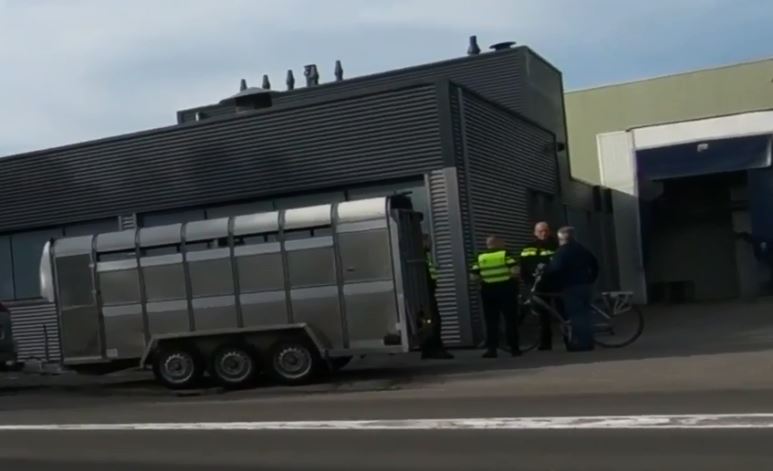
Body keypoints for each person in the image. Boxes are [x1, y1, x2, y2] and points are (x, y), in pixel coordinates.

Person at [545, 226, 599, 351]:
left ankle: (582, 344)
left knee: (576, 315)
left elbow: (554, 269)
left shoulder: (561, 252)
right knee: (585, 314)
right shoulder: (582, 249)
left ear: (561, 238)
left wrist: (548, 278)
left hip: (571, 286)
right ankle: (588, 341)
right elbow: (594, 264)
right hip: (585, 285)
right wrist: (591, 279)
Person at [471, 235, 520, 358]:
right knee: (510, 320)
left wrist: (484, 281)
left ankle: (492, 349)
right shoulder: (505, 254)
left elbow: (473, 277)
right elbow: (515, 270)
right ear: (499, 243)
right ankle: (514, 349)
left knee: (491, 322)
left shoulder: (480, 257)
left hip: (488, 292)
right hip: (506, 291)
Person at [518, 221, 559, 350]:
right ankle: (545, 343)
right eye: (540, 231)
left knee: (561, 312)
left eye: (546, 230)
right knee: (542, 315)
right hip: (537, 285)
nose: (544, 233)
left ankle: (568, 339)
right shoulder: (527, 248)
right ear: (535, 233)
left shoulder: (556, 246)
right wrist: (527, 281)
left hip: (554, 283)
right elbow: (523, 266)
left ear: (550, 231)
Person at [421, 235, 454, 359]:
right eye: (429, 242)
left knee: (429, 322)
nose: (431, 244)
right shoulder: (422, 256)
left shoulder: (425, 256)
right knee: (434, 321)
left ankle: (428, 350)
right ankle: (435, 349)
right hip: (426, 294)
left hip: (428, 293)